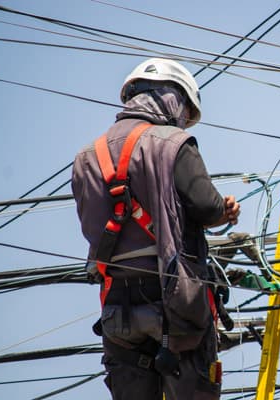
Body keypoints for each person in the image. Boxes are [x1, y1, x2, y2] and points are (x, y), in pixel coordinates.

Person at [72, 58, 240, 400]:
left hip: (116, 305)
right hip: (175, 301)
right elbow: (206, 207)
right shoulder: (174, 143)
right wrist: (226, 211)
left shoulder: (86, 156)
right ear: (172, 98)